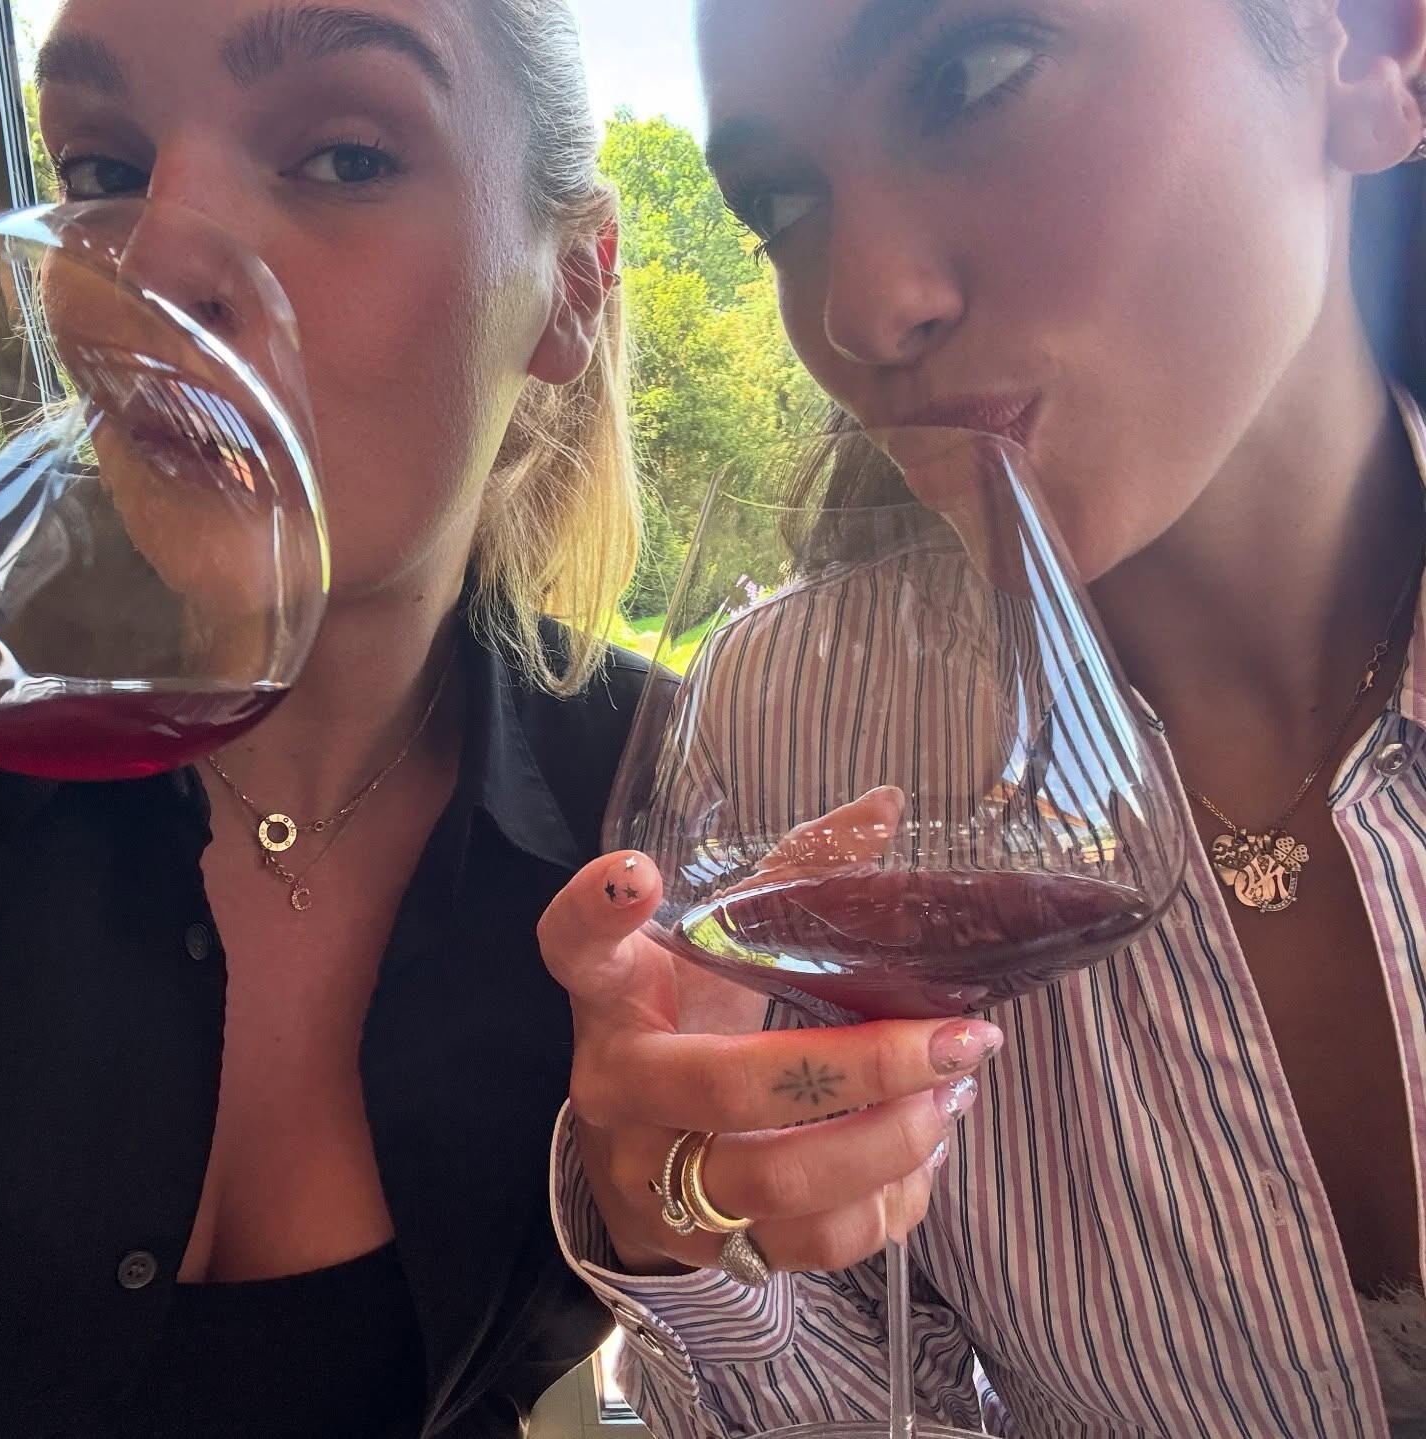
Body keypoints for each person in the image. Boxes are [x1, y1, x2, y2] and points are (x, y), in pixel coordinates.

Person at [540, 0, 1426, 1434]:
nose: (857, 310)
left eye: (973, 75)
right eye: (783, 205)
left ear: (1375, 50)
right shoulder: (785, 740)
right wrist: (683, 1234)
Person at [0, 1, 645, 1436]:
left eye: (345, 157)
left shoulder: (661, 796)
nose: (152, 268)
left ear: (571, 288)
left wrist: (680, 1234)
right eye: (103, 170)